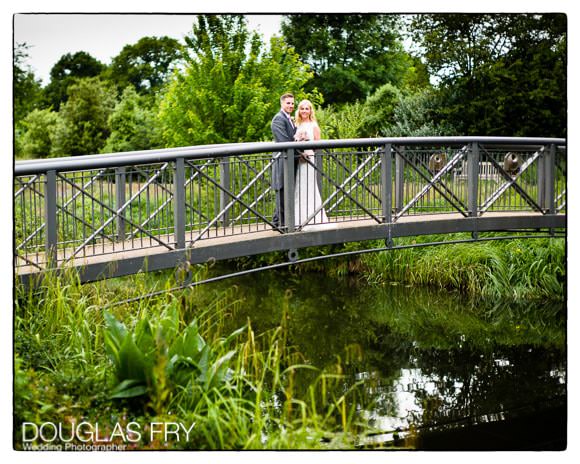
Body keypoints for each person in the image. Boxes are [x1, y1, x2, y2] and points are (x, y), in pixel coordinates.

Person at [293, 99, 329, 230]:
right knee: (299, 188)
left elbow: (318, 145)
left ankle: (313, 218)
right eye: (302, 108)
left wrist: (307, 147)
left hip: (308, 161)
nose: (304, 111)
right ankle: (298, 219)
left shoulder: (314, 126)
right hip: (298, 161)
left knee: (309, 187)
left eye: (306, 108)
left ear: (310, 111)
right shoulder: (296, 124)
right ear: (299, 110)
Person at [270, 93, 298, 229]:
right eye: (288, 103)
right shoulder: (278, 119)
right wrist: (301, 149)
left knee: (287, 191)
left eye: (292, 103)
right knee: (282, 191)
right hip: (282, 161)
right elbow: (284, 142)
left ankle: (277, 222)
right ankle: (281, 224)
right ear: (282, 103)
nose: (291, 106)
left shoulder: (289, 119)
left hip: (290, 161)